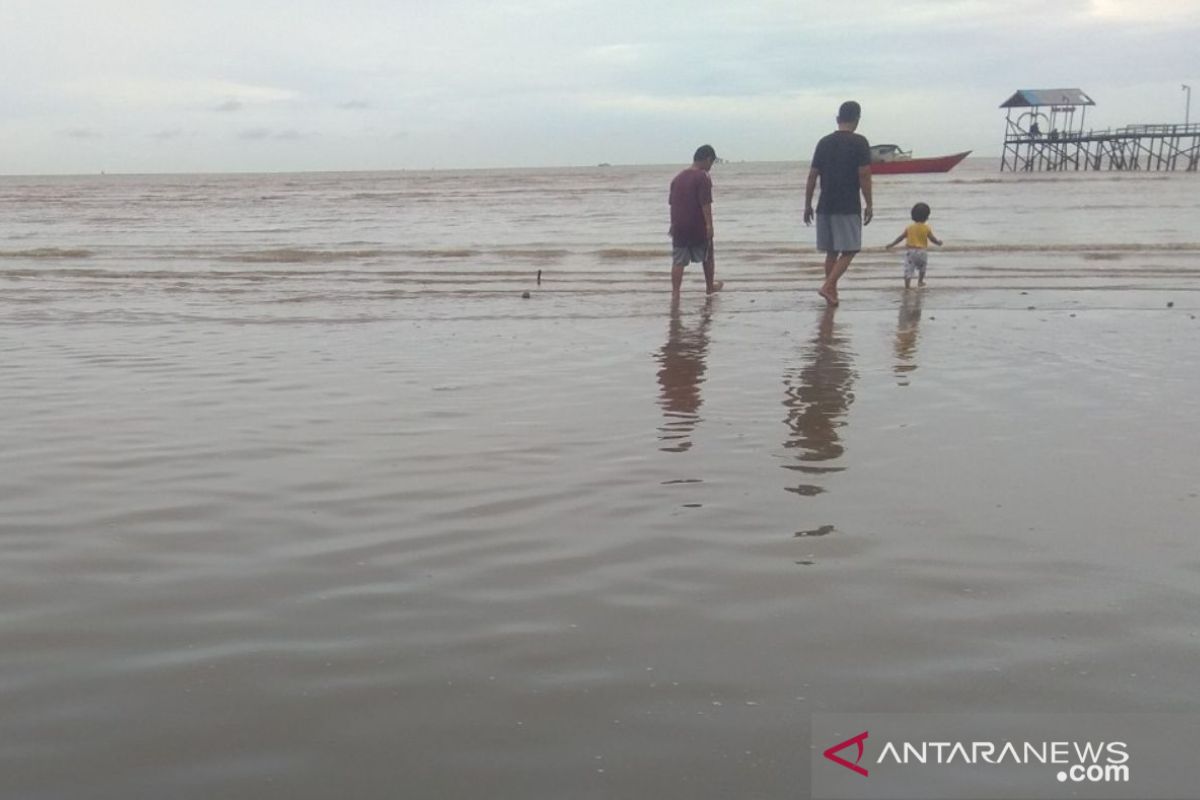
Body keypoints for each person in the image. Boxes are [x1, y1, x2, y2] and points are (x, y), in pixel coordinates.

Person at [804, 101, 873, 307]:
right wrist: (869, 203)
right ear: (857, 119)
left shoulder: (823, 142)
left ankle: (832, 293)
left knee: (832, 251)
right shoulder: (860, 142)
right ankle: (828, 286)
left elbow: (812, 176)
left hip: (825, 204)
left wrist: (807, 204)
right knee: (850, 250)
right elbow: (864, 175)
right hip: (847, 204)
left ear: (837, 119)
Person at [669, 145, 722, 294]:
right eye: (711, 162)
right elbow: (705, 203)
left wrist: (673, 224)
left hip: (678, 225)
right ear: (707, 159)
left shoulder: (677, 178)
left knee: (678, 260)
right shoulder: (703, 176)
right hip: (696, 224)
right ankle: (710, 287)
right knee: (708, 256)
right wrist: (709, 226)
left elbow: (673, 204)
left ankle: (675, 294)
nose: (711, 166)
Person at [885, 202, 943, 289]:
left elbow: (901, 237)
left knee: (908, 269)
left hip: (911, 252)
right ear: (927, 216)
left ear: (912, 215)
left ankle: (907, 285)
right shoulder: (926, 228)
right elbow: (932, 239)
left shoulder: (910, 227)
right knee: (922, 268)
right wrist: (938, 243)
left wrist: (892, 244)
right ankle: (920, 281)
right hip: (922, 252)